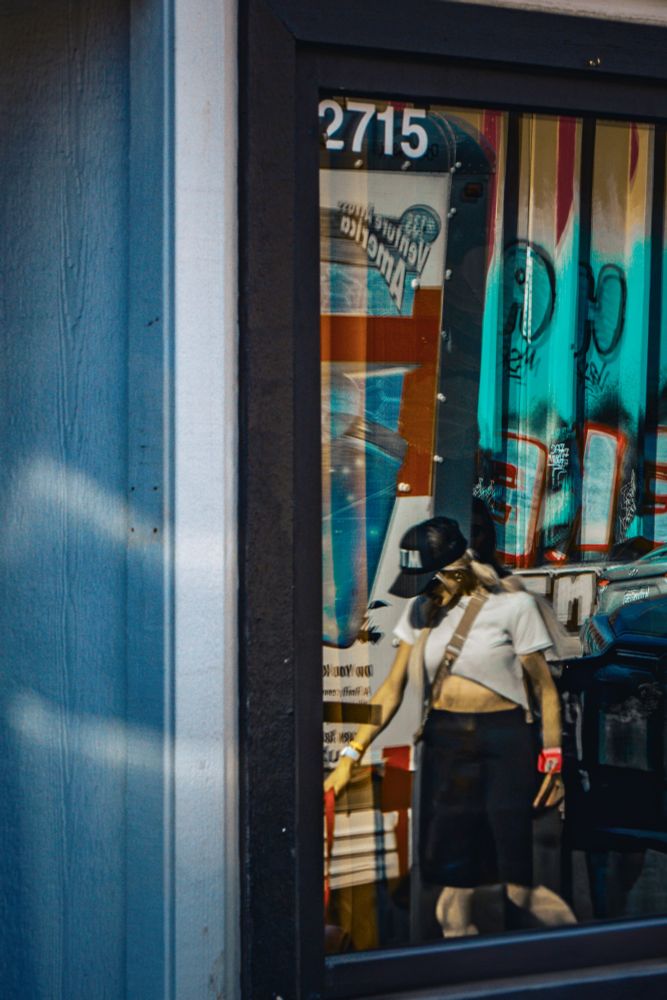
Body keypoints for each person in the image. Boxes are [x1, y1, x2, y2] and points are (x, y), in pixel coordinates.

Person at [324, 515, 563, 937]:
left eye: (431, 578)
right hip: (447, 743)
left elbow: (545, 690)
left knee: (517, 887)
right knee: (454, 892)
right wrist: (351, 753)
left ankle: (586, 958)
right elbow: (390, 690)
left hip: (504, 740)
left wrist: (552, 759)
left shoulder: (512, 607)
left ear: (456, 568)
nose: (423, 588)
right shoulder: (421, 611)